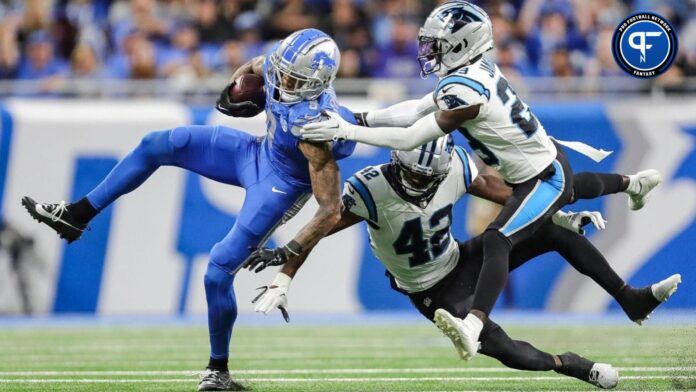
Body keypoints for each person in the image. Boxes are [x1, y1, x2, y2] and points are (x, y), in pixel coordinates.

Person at [298, 1, 663, 360]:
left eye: (437, 43)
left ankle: (474, 324)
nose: (429, 50)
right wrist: (361, 118)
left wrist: (347, 129)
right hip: (545, 167)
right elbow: (417, 108)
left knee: (497, 238)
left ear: (461, 44)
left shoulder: (466, 92)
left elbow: (410, 137)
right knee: (566, 202)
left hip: (540, 179)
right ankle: (632, 188)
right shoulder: (474, 72)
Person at [22, 28, 356, 391]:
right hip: (256, 152)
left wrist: (289, 252)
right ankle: (77, 214)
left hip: (280, 187)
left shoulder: (318, 126)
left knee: (217, 271)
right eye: (284, 72)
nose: (285, 81)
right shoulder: (281, 62)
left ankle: (218, 371)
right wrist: (233, 89)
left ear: (318, 83)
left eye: (295, 79)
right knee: (158, 144)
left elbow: (330, 208)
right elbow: (257, 66)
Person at [246, 136, 680, 390]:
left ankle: (630, 299)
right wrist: (285, 275)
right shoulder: (371, 188)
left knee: (555, 233)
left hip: (461, 258)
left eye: (428, 178)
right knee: (505, 349)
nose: (421, 184)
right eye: (415, 176)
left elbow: (511, 197)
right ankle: (573, 366)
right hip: (431, 291)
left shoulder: (451, 166)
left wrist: (561, 213)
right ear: (397, 163)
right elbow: (321, 225)